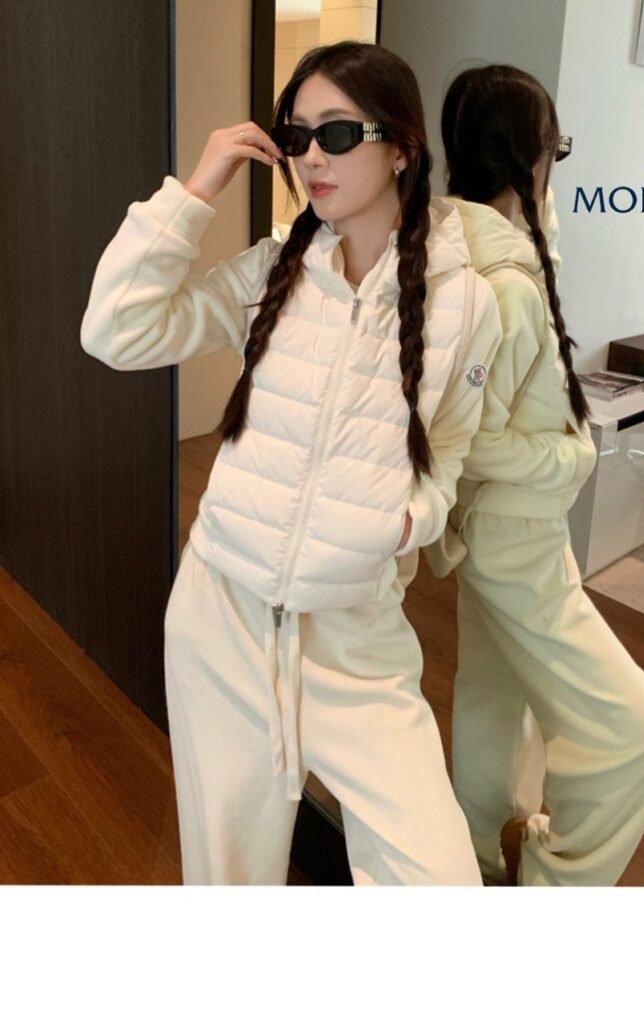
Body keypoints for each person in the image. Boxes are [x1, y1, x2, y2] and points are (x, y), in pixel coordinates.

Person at [80, 41, 503, 885]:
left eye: (336, 133)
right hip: (223, 620)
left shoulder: (466, 302)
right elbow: (115, 332)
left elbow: (450, 442)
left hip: (355, 640)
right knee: (229, 881)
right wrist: (193, 193)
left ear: (401, 148)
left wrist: (409, 520)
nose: (311, 156)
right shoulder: (270, 273)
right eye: (295, 135)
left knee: (437, 880)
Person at [428, 64, 644, 885]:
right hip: (515, 529)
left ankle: (475, 854)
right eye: (555, 149)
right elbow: (469, 440)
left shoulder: (461, 247)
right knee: (635, 733)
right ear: (527, 155)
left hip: (499, 527)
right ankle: (553, 881)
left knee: (493, 701)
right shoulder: (505, 286)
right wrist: (574, 453)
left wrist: (534, 213)